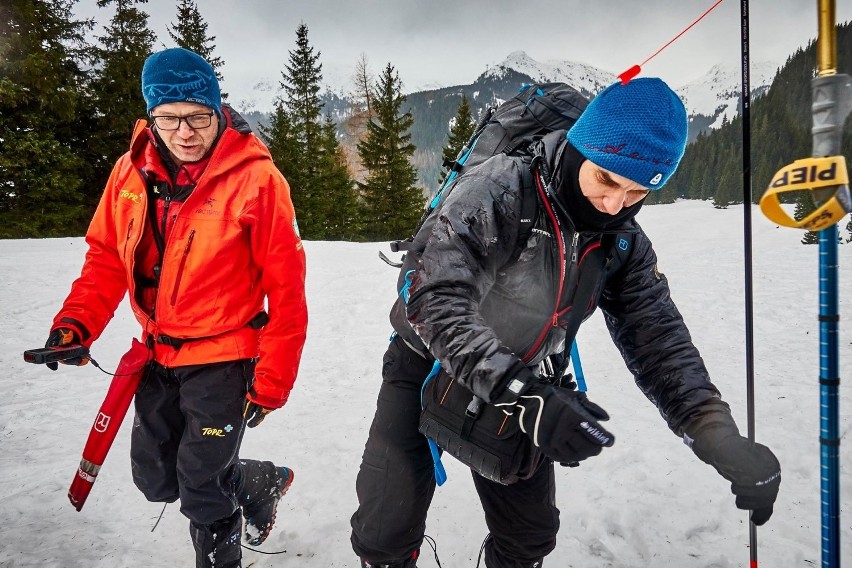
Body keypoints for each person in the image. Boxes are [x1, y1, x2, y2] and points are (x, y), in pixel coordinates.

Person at [350, 77, 781, 568]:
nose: (616, 204)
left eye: (638, 191)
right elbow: (436, 299)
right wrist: (523, 392)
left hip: (525, 380)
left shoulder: (621, 241)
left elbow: (658, 338)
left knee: (529, 537)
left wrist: (715, 433)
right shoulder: (499, 189)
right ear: (582, 146)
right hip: (425, 362)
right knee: (385, 529)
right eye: (607, 179)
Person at [43, 47, 308, 568]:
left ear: (217, 110)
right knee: (156, 479)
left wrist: (272, 380)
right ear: (152, 117)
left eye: (197, 117)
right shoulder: (128, 174)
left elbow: (288, 290)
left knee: (203, 492)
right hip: (156, 355)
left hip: (224, 357)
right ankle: (256, 478)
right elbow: (104, 258)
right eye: (169, 118)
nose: (184, 132)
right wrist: (75, 324)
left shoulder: (257, 181)